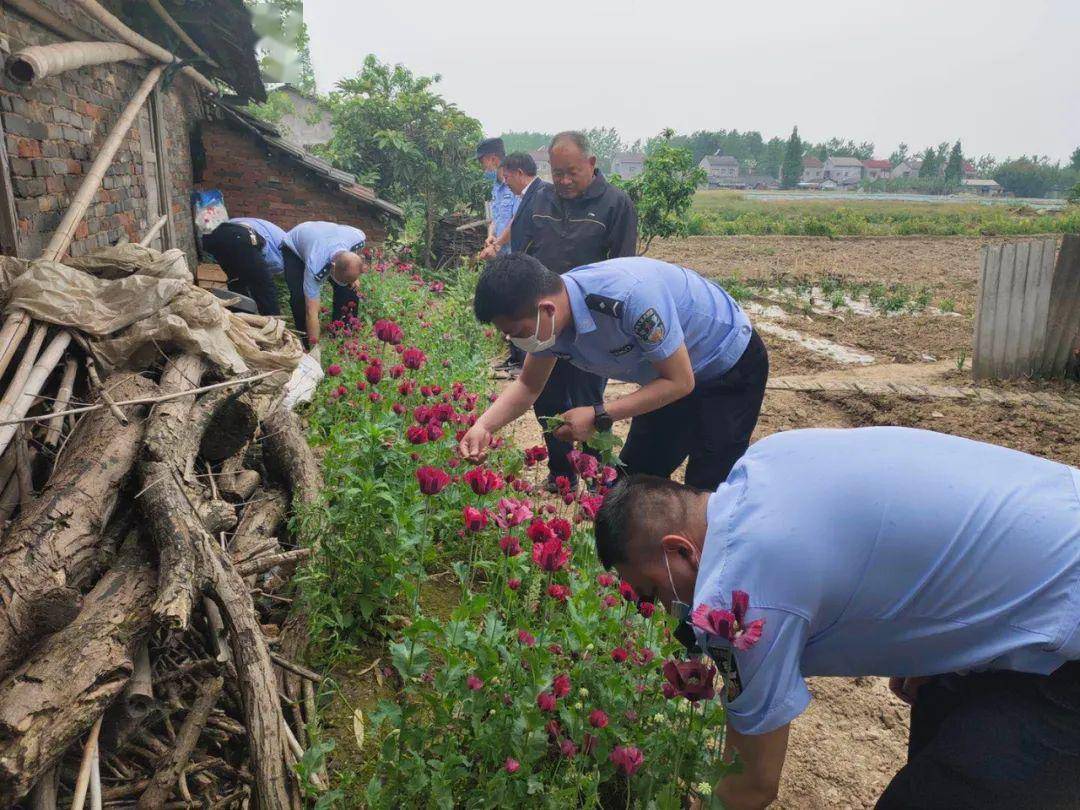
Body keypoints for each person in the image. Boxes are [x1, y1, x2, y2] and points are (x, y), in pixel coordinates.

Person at [594, 426, 1080, 810]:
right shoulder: (766, 462)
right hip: (1058, 521)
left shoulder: (739, 598)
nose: (663, 608)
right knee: (941, 721)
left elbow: (751, 787)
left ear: (680, 551)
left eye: (653, 590)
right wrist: (921, 641)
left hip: (1066, 620)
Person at [460, 252, 768, 491]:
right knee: (631, 484)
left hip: (728, 367)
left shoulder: (628, 299)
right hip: (662, 377)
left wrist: (598, 415)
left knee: (707, 488)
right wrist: (483, 426)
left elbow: (680, 380)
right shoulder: (547, 326)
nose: (512, 340)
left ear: (547, 309)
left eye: (516, 331)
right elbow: (528, 386)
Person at [512, 131, 639, 489]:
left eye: (572, 172)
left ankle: (599, 478)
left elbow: (624, 269)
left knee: (588, 402)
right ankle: (561, 475)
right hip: (545, 321)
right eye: (557, 172)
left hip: (591, 326)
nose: (564, 181)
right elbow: (521, 254)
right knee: (546, 400)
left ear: (591, 164)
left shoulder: (616, 204)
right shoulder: (539, 199)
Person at [280, 221, 366, 349]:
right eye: (341, 279)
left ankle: (341, 335)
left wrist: (353, 277)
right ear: (332, 267)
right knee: (300, 299)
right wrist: (316, 350)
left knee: (349, 290)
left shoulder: (358, 237)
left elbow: (353, 257)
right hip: (295, 247)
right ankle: (307, 346)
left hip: (326, 235)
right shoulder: (315, 266)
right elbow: (311, 312)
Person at [201, 217, 286, 316]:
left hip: (215, 236)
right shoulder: (287, 252)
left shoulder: (281, 237)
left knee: (237, 282)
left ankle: (241, 319)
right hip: (242, 236)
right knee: (264, 287)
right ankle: (274, 326)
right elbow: (262, 277)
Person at [476, 137, 518, 260]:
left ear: (493, 159)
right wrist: (491, 236)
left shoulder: (515, 185)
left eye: (482, 162)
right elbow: (496, 218)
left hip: (514, 255)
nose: (482, 167)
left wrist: (496, 245)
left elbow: (516, 222)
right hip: (499, 253)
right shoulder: (495, 187)